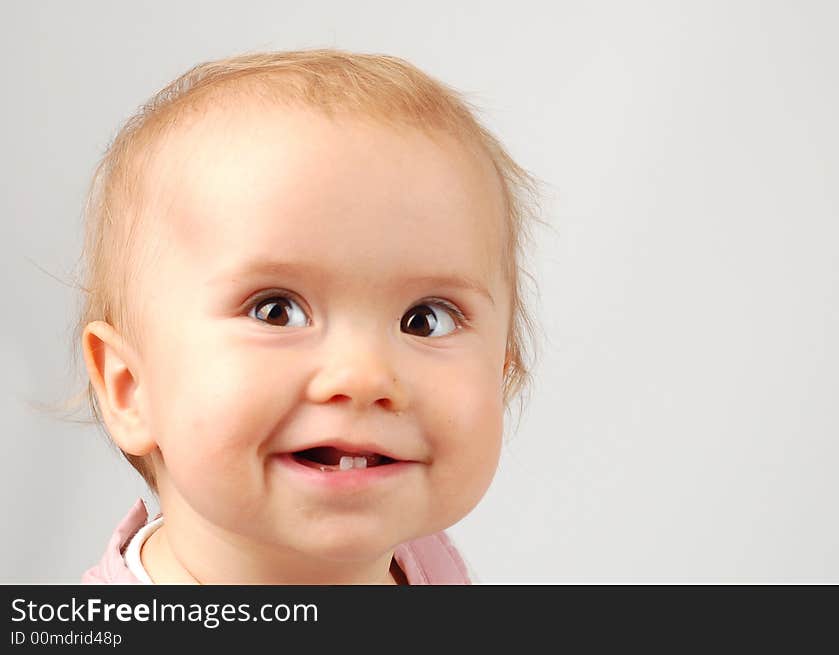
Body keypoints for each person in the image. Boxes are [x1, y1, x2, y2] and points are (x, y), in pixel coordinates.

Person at [74, 48, 545, 584]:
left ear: (500, 371)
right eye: (276, 312)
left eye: (425, 319)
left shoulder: (424, 565)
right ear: (130, 387)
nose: (364, 376)